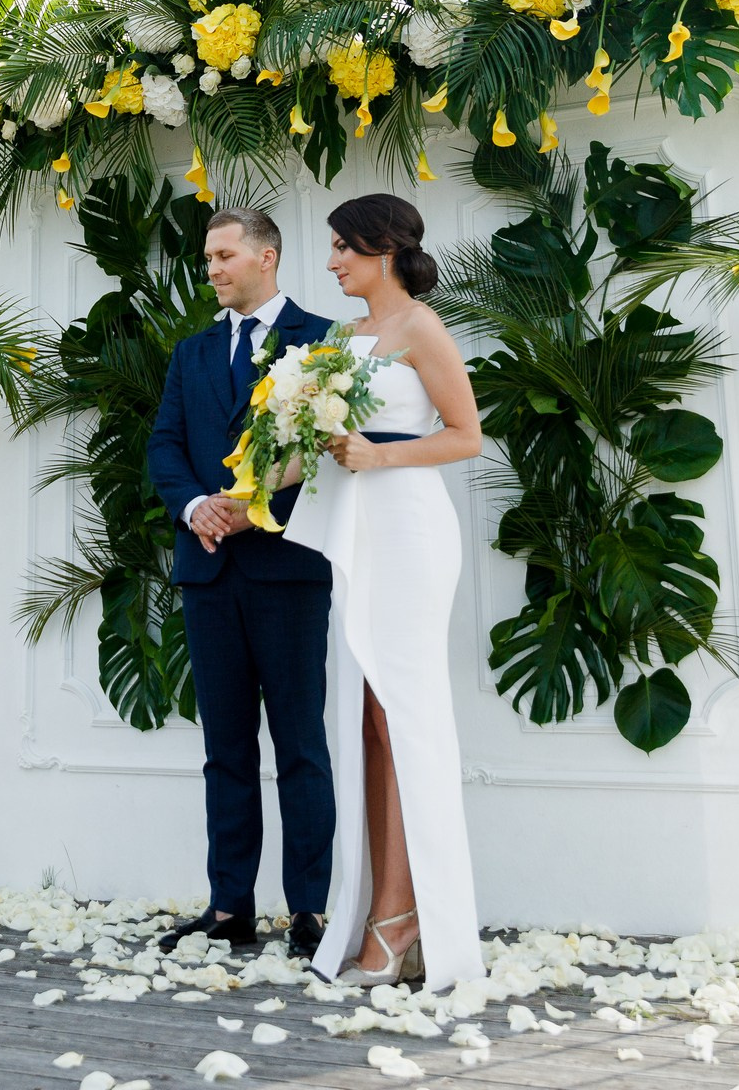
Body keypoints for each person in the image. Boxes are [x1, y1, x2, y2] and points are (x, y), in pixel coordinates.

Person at [284, 193, 485, 991]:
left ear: (383, 248)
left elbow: (467, 435)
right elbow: (312, 443)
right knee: (367, 722)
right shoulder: (343, 340)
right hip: (356, 533)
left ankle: (403, 918)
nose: (331, 262)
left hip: (408, 530)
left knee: (401, 717)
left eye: (341, 247)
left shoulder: (421, 328)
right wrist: (253, 491)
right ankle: (384, 911)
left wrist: (382, 459)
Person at [144, 206, 336, 957]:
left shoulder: (321, 342)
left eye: (225, 255)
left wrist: (252, 509)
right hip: (208, 572)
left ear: (268, 256)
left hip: (288, 569)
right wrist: (197, 506)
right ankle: (230, 908)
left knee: (300, 745)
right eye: (208, 258)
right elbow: (164, 444)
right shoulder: (190, 354)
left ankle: (311, 910)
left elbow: (327, 443)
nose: (213, 269)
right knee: (225, 748)